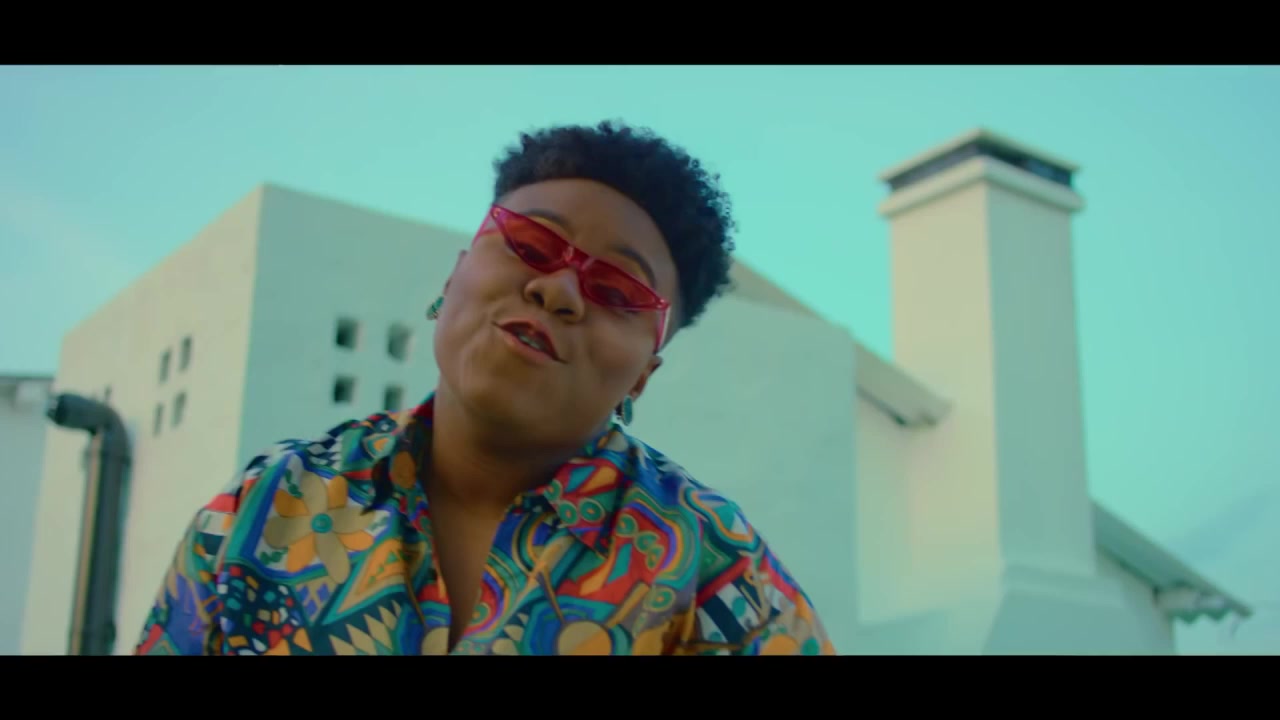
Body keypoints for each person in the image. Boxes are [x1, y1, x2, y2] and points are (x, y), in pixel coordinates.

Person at [134, 120, 835, 656]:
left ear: (644, 374)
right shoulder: (265, 509)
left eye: (618, 289)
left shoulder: (715, 570)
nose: (558, 290)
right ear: (454, 278)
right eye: (531, 245)